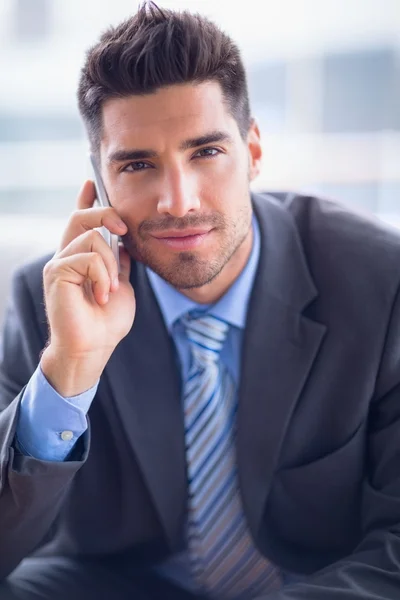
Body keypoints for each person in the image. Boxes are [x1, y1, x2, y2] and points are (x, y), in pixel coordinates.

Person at [0, 2, 400, 599]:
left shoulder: (378, 279)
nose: (177, 201)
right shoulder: (55, 301)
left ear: (254, 151)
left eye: (206, 152)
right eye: (138, 164)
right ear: (99, 183)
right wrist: (70, 369)